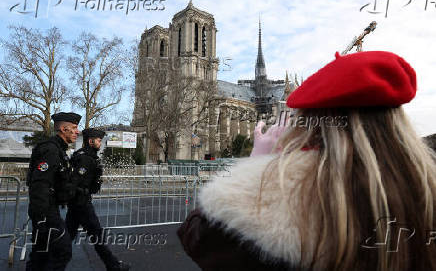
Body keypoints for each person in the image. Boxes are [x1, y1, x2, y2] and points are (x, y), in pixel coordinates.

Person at [177, 51, 436, 270]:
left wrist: (258, 165)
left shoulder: (292, 198)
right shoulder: (423, 196)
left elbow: (198, 238)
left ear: (312, 127)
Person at [65, 128, 130, 271]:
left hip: (77, 204)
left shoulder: (84, 155)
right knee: (97, 235)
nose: (100, 143)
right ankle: (113, 266)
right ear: (90, 141)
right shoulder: (86, 159)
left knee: (67, 237)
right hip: (81, 204)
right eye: (99, 140)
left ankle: (52, 264)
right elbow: (75, 182)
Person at [26, 112, 81, 271]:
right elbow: (39, 185)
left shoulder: (59, 150)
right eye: (74, 128)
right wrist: (42, 218)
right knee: (63, 251)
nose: (77, 132)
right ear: (64, 129)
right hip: (46, 213)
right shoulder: (50, 150)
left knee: (40, 257)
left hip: (50, 209)